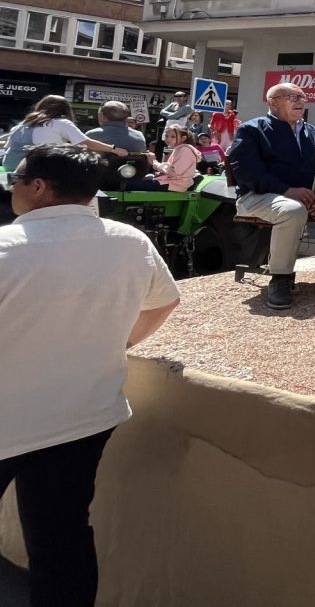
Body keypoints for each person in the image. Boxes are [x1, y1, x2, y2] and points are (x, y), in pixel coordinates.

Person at [0, 144, 180, 606]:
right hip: (84, 416)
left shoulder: (6, 248)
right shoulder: (129, 240)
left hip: (10, 419)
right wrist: (120, 343)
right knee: (61, 536)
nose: (11, 187)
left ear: (38, 187)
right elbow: (164, 302)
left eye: (14, 178)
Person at [227, 82, 315, 310]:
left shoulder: (311, 132)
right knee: (292, 210)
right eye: (292, 97)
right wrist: (286, 190)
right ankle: (280, 278)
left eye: (302, 97)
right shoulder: (252, 130)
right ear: (273, 102)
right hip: (259, 196)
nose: (300, 101)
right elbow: (247, 172)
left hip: (305, 198)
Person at [2, 94, 130, 170]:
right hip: (36, 170)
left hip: (10, 168)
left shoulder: (24, 123)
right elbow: (86, 143)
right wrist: (114, 149)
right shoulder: (61, 123)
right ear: (65, 110)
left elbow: (8, 145)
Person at [127, 124, 201, 192]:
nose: (168, 139)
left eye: (173, 136)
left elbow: (174, 172)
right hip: (171, 182)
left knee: (129, 184)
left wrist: (155, 163)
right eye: (166, 136)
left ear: (183, 138)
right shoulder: (179, 149)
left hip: (175, 184)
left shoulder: (185, 150)